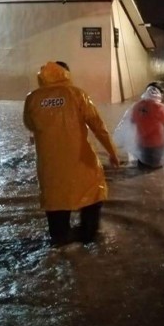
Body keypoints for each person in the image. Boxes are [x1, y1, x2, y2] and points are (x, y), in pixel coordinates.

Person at [23, 61, 120, 246]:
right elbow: (98, 127)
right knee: (93, 192)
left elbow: (30, 125)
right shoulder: (77, 94)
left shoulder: (32, 98)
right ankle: (88, 239)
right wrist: (112, 152)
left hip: (50, 165)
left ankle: (60, 243)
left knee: (55, 202)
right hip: (81, 160)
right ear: (65, 74)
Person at [130, 82, 164, 168]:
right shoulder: (161, 108)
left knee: (141, 167)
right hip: (156, 145)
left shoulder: (137, 106)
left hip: (141, 144)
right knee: (155, 169)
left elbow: (132, 121)